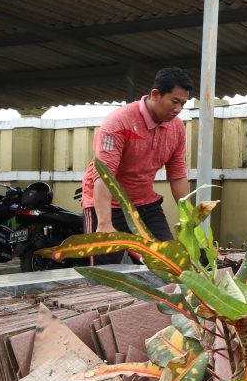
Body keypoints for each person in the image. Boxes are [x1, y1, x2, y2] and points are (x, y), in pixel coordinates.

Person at [81, 67, 193, 260]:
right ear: (155, 94)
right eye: (174, 102)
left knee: (168, 262)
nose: (178, 109)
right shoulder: (118, 123)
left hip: (145, 204)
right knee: (106, 274)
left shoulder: (177, 128)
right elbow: (104, 174)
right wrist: (104, 223)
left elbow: (177, 175)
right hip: (108, 205)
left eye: (183, 104)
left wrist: (189, 218)